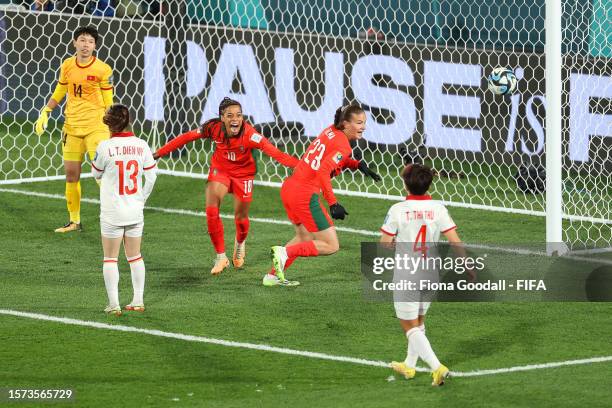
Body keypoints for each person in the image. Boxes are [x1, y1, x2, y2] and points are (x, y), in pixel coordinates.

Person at [154, 97, 299, 275]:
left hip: (243, 175)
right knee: (211, 209)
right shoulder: (213, 128)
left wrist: (301, 166)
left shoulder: (251, 135)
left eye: (239, 115)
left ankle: (239, 244)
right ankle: (221, 257)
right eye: (230, 115)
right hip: (220, 171)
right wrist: (158, 153)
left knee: (241, 218)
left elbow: (277, 154)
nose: (235, 119)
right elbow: (186, 137)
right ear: (222, 117)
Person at [267, 105, 380, 287]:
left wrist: (356, 165)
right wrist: (333, 203)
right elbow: (323, 171)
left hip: (290, 188)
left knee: (303, 238)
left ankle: (272, 276)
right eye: (359, 123)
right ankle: (284, 253)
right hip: (305, 194)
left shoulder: (331, 130)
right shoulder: (344, 145)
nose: (363, 127)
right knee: (331, 245)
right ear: (345, 124)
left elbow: (326, 158)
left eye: (364, 123)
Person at [379, 163, 463, 386]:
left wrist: (395, 243)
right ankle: (409, 365)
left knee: (409, 326)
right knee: (419, 321)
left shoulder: (397, 209)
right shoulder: (439, 208)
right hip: (431, 273)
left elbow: (385, 243)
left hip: (408, 273)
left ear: (405, 184)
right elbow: (454, 240)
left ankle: (437, 368)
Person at [34, 25, 114, 233]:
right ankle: (74, 221)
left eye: (90, 41)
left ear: (95, 46)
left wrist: (113, 127)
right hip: (71, 126)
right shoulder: (67, 65)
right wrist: (46, 111)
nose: (85, 45)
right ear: (74, 42)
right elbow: (61, 88)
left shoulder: (103, 69)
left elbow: (109, 101)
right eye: (82, 40)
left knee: (100, 174)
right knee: (71, 174)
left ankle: (116, 216)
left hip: (96, 127)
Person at [91, 104, 157, 316]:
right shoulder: (142, 145)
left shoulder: (104, 147)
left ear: (109, 125)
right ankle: (138, 300)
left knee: (110, 258)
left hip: (112, 213)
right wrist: (142, 199)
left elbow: (96, 174)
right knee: (135, 256)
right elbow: (152, 176)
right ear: (129, 121)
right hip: (135, 211)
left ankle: (114, 304)